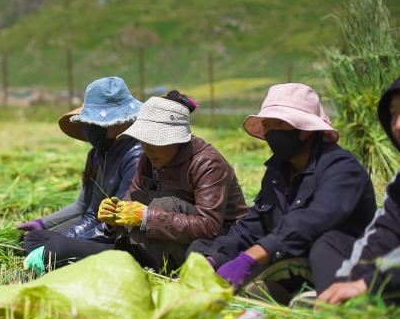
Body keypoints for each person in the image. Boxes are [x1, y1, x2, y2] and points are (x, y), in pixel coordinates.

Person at [25, 90, 249, 274]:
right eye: (144, 141)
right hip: (157, 241)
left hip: (207, 248)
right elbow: (132, 199)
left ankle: (139, 263)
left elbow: (209, 226)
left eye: (156, 142)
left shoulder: (207, 163)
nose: (148, 148)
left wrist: (145, 217)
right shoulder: (148, 158)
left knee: (164, 204)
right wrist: (114, 217)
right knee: (43, 242)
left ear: (178, 140)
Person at [188, 83, 377, 299]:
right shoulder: (279, 170)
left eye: (279, 123)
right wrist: (216, 257)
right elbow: (257, 222)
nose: (271, 132)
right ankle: (288, 294)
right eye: (267, 125)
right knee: (200, 249)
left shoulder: (342, 169)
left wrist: (250, 258)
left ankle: (332, 304)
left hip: (341, 264)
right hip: (290, 257)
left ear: (305, 130)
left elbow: (310, 222)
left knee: (324, 245)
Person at [19, 76, 143, 274]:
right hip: (101, 231)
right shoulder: (105, 153)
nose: (90, 130)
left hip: (123, 242)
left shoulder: (136, 155)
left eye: (96, 123)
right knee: (35, 238)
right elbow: (93, 213)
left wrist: (61, 244)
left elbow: (116, 223)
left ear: (118, 122)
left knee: (56, 248)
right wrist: (62, 236)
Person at [318, 78, 400, 305]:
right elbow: (384, 232)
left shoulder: (341, 167)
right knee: (328, 244)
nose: (397, 124)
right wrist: (348, 280)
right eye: (393, 113)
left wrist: (368, 284)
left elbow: (312, 218)